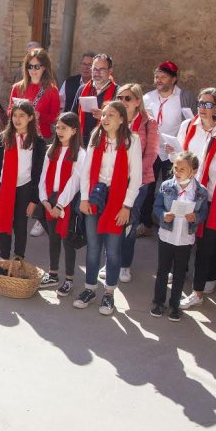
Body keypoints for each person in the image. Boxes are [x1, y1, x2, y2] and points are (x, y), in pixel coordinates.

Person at [74, 101, 142, 315]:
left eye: (111, 115)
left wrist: (126, 207)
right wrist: (84, 198)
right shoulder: (96, 136)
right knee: (93, 247)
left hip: (117, 199)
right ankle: (90, 288)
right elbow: (86, 172)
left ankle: (109, 293)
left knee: (112, 250)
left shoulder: (132, 140)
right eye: (103, 115)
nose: (105, 119)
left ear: (122, 119)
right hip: (96, 196)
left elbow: (136, 178)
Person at [180, 99, 216, 325]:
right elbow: (203, 171)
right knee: (204, 250)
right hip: (209, 205)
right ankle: (198, 292)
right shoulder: (213, 142)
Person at [139, 61, 198, 238]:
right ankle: (145, 223)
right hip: (152, 150)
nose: (159, 80)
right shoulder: (147, 97)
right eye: (157, 76)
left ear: (174, 79)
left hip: (173, 153)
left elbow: (191, 123)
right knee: (147, 188)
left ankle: (169, 224)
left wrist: (181, 147)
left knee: (172, 190)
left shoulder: (184, 97)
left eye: (163, 77)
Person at [151, 151, 208, 321]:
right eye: (176, 167)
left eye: (182, 169)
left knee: (180, 272)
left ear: (193, 171)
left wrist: (195, 217)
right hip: (167, 235)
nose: (177, 171)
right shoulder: (167, 186)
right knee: (162, 270)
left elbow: (203, 212)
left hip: (185, 238)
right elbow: (157, 206)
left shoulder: (200, 191)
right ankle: (158, 302)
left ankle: (175, 305)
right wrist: (164, 215)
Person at [112, 84, 158, 283]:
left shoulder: (148, 123)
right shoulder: (114, 119)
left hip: (138, 182)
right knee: (113, 221)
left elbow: (151, 154)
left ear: (138, 101)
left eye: (127, 98)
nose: (123, 102)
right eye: (120, 97)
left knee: (130, 223)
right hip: (114, 180)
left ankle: (124, 264)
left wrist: (133, 175)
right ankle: (112, 260)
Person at [0, 100, 46, 261]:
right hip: (5, 185)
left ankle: (18, 258)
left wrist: (34, 200)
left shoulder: (38, 142)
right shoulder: (4, 138)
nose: (17, 119)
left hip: (25, 186)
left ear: (30, 118)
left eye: (22, 115)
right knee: (4, 221)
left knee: (20, 225)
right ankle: (4, 258)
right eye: (14, 115)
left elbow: (38, 172)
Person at [37, 112, 85, 295]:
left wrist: (60, 205)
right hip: (50, 199)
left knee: (67, 241)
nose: (59, 131)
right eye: (57, 127)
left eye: (63, 128)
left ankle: (70, 279)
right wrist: (45, 200)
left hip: (67, 203)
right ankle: (53, 274)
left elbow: (75, 181)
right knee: (53, 239)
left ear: (74, 130)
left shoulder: (80, 153)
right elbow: (43, 177)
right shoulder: (51, 150)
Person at [9, 48, 59, 140]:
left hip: (41, 136)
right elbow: (9, 111)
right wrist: (18, 114)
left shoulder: (52, 90)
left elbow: (55, 117)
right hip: (19, 135)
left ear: (44, 67)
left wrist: (40, 116)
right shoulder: (17, 87)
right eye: (30, 66)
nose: (33, 70)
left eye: (36, 67)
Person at [71, 53, 117, 144]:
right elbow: (73, 115)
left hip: (104, 141)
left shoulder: (117, 92)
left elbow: (120, 120)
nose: (97, 73)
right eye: (95, 69)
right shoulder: (82, 89)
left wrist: (104, 116)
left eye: (102, 69)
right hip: (81, 141)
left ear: (110, 70)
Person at [173, 88, 216, 170]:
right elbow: (177, 155)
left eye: (208, 105)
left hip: (209, 181)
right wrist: (171, 151)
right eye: (200, 104)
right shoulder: (187, 125)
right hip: (187, 179)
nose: (202, 108)